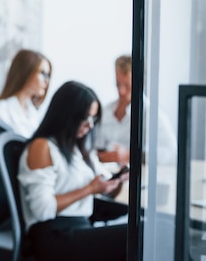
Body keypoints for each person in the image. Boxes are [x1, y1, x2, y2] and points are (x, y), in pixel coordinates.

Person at [18, 81, 128, 261]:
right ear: (67, 115)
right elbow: (42, 209)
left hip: (80, 227)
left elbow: (102, 188)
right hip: (54, 235)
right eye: (86, 118)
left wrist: (116, 182)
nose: (90, 126)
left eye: (94, 119)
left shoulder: (79, 150)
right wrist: (90, 189)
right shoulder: (42, 147)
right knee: (140, 233)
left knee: (147, 230)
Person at [95, 54, 177, 165]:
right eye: (118, 84)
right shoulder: (105, 111)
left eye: (127, 86)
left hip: (138, 178)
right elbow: (93, 147)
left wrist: (131, 155)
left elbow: (172, 153)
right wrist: (100, 156)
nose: (121, 91)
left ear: (141, 82)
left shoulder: (152, 114)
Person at [0, 49, 51, 138]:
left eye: (48, 75)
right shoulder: (0, 110)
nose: (46, 81)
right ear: (26, 72)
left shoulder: (33, 113)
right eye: (42, 73)